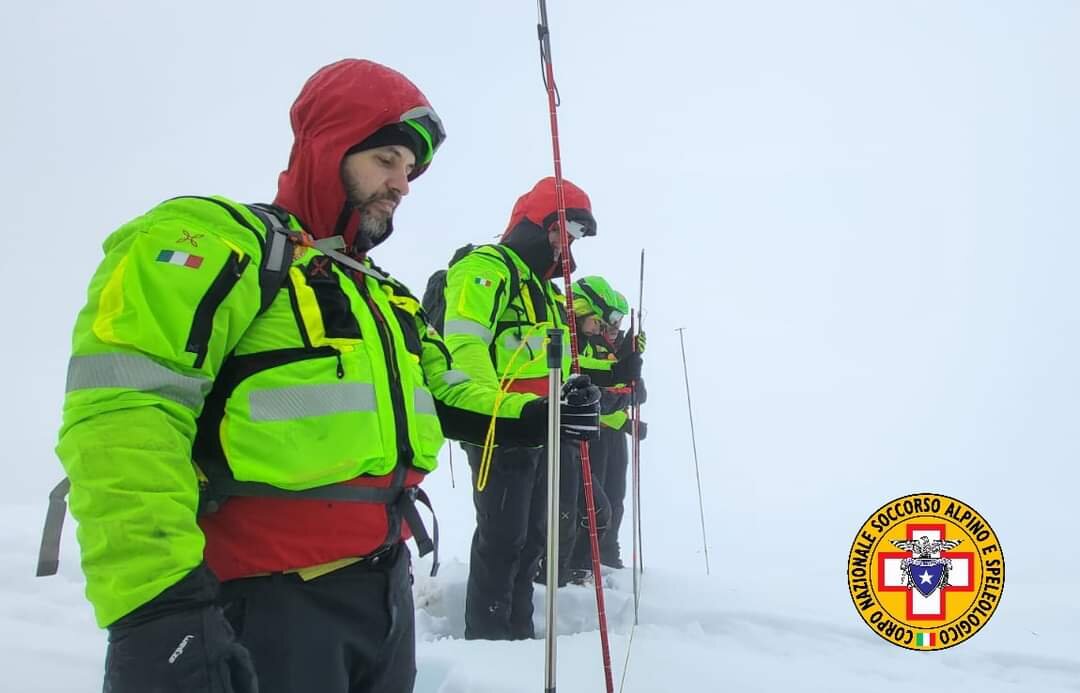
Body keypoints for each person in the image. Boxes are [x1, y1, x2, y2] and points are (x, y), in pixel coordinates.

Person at [53, 59, 600, 693]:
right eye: (387, 159)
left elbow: (447, 391)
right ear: (329, 148)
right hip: (259, 607)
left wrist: (540, 415)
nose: (401, 184)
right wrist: (156, 610)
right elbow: (123, 416)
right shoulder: (218, 243)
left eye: (409, 170)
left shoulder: (384, 297)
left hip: (382, 598)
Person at [440, 177, 642, 639]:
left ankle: (518, 636)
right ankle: (489, 641)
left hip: (542, 429)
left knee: (533, 540)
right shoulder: (486, 269)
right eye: (560, 232)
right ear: (534, 224)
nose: (565, 245)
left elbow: (563, 364)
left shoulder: (544, 290)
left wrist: (599, 384)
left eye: (572, 238)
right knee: (504, 539)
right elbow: (467, 354)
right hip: (501, 429)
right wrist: (509, 412)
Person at [566, 276, 647, 573]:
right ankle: (583, 560)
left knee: (614, 498)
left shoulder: (616, 349)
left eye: (617, 322)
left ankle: (608, 557)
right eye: (607, 321)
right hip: (593, 432)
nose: (611, 328)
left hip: (613, 431)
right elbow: (596, 393)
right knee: (589, 503)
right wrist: (621, 393)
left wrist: (628, 366)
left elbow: (639, 392)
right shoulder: (585, 345)